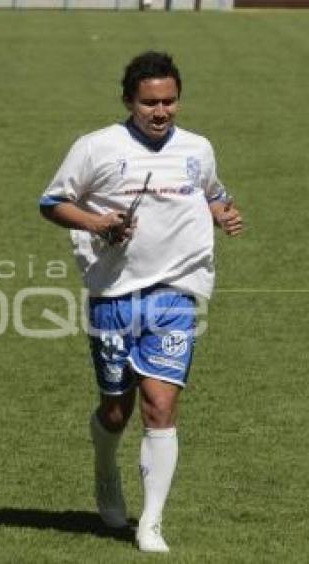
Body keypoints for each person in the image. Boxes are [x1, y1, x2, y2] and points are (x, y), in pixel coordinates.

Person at [39, 51, 242, 553]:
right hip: (114, 294)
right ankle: (106, 470)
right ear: (129, 101)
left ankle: (150, 521)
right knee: (116, 411)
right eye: (150, 102)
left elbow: (213, 191)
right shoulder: (95, 148)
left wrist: (223, 213)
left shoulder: (198, 148)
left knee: (161, 404)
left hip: (176, 293)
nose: (161, 111)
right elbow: (51, 203)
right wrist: (98, 224)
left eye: (170, 101)